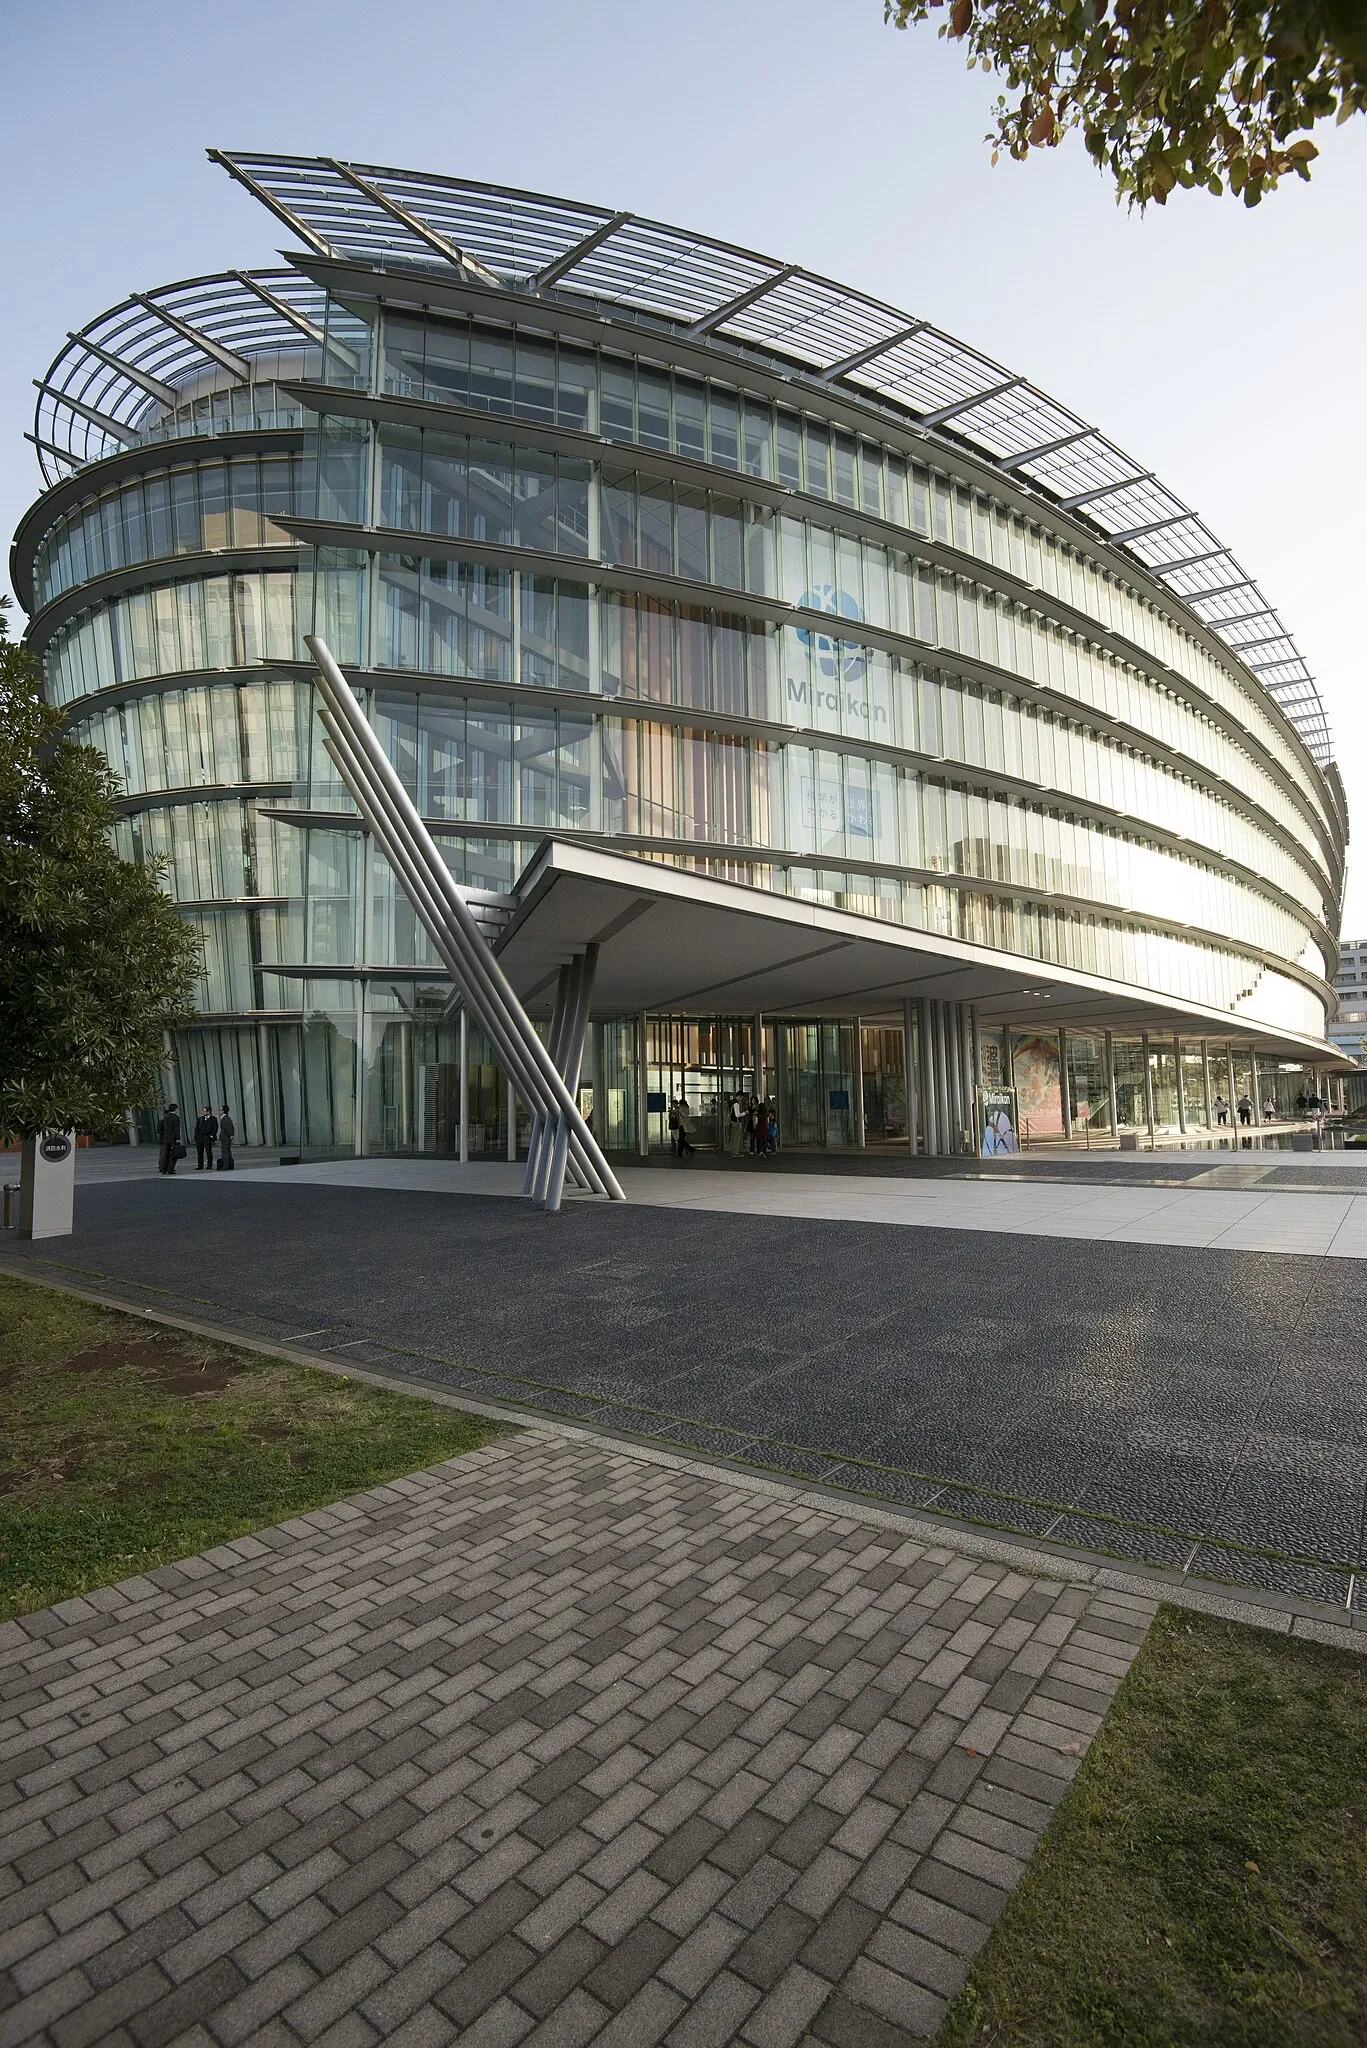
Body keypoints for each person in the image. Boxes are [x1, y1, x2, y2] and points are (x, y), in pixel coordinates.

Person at [157, 1103, 182, 1176]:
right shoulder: (176, 1117)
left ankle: (164, 1169)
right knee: (174, 1154)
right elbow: (176, 1129)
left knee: (165, 1154)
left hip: (165, 1139)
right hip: (172, 1139)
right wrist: (178, 1138)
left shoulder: (166, 1117)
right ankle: (170, 1169)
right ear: (175, 1109)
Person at [193, 1106, 218, 1171]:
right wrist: (196, 1136)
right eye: (203, 1111)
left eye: (205, 1111)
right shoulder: (200, 1119)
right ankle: (200, 1165)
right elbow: (197, 1128)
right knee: (200, 1152)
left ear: (208, 1111)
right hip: (200, 1137)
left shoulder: (213, 1119)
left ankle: (209, 1165)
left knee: (208, 1151)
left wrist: (211, 1136)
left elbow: (215, 1128)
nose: (203, 1112)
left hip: (207, 1137)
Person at [674, 1093, 695, 1159]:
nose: (679, 1105)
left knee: (681, 1140)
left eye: (680, 1104)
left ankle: (688, 1150)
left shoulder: (685, 1108)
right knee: (681, 1140)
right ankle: (688, 1150)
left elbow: (685, 1115)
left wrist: (680, 1111)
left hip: (683, 1126)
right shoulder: (681, 1109)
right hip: (680, 1126)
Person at [217, 1104, 236, 1169]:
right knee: (227, 1151)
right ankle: (229, 1164)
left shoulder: (225, 1119)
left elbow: (228, 1128)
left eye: (220, 1110)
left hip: (225, 1138)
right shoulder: (226, 1118)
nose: (219, 1111)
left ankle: (226, 1165)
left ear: (223, 1111)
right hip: (226, 1137)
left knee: (225, 1151)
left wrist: (230, 1135)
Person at [729, 1092, 747, 1159]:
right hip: (736, 1122)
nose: (742, 1099)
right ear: (739, 1096)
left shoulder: (731, 1102)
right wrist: (744, 1113)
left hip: (732, 1122)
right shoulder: (736, 1104)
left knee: (733, 1138)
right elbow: (737, 1115)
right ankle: (735, 1152)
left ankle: (733, 1152)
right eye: (742, 1097)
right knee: (736, 1138)